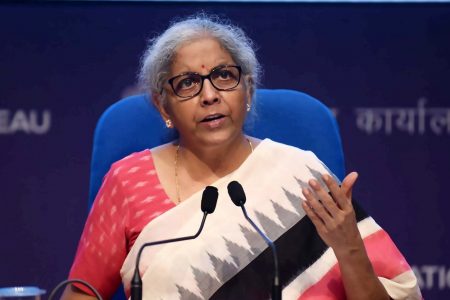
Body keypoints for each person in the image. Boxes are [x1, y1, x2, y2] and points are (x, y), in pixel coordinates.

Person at [63, 14, 421, 300]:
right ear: (163, 105)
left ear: (247, 90)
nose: (209, 95)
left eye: (223, 76)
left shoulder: (301, 176)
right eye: (188, 82)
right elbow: (83, 292)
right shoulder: (127, 182)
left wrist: (349, 248)